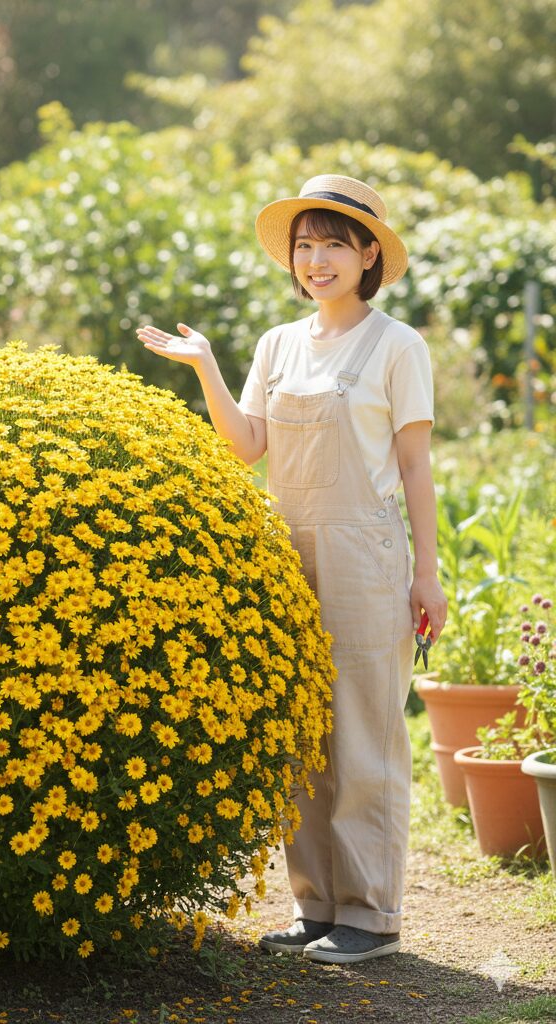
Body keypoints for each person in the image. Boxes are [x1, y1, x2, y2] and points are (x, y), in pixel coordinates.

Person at [136, 174, 447, 965]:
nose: (316, 260)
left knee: (365, 735)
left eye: (334, 244)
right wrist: (206, 363)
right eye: (305, 246)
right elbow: (246, 447)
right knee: (303, 732)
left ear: (369, 253)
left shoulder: (397, 345)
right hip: (287, 552)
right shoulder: (277, 344)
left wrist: (429, 576)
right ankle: (316, 908)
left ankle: (371, 917)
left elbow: (415, 469)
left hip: (367, 555)